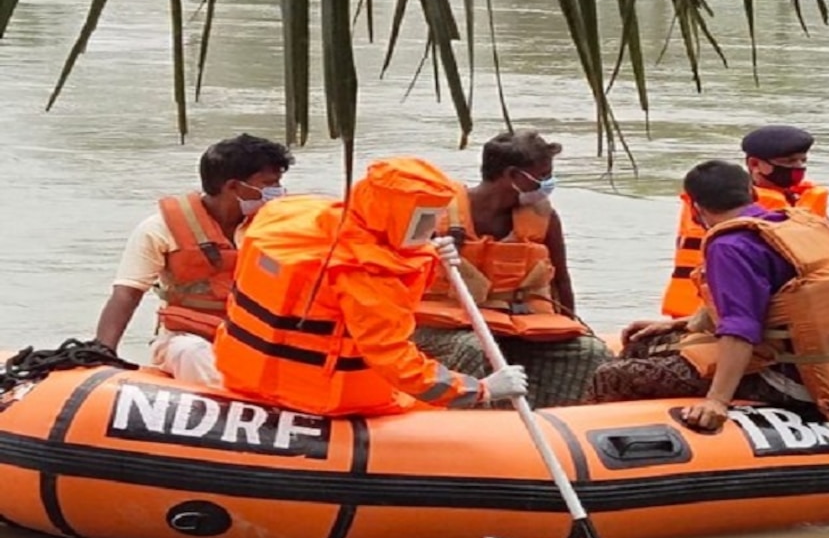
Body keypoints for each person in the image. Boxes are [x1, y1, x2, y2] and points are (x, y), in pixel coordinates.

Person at [213, 157, 527, 416]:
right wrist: (482, 389)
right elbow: (396, 361)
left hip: (241, 372)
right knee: (434, 411)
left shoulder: (294, 214)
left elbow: (378, 240)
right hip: (320, 399)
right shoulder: (365, 275)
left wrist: (427, 251)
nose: (432, 227)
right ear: (393, 215)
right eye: (424, 219)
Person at [585, 160, 829, 431]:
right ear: (752, 192)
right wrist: (679, 324)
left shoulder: (731, 246)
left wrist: (718, 401)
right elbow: (779, 305)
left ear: (695, 206)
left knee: (614, 376)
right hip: (828, 362)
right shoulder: (790, 225)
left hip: (786, 378)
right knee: (644, 342)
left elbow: (741, 327)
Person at [412, 130, 611, 408]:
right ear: (513, 176)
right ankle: (477, 425)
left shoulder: (544, 218)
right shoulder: (435, 215)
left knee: (590, 351)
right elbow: (397, 274)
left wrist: (572, 327)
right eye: (542, 175)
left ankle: (554, 423)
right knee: (474, 348)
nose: (547, 183)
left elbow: (562, 281)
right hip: (441, 329)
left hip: (514, 327)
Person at [95, 134, 294, 387]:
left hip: (257, 337)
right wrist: (102, 354)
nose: (277, 192)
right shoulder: (159, 229)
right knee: (191, 353)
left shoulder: (281, 226)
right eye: (269, 184)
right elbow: (127, 294)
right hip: (187, 336)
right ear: (233, 186)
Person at [661, 124, 829, 319]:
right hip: (708, 308)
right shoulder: (720, 199)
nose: (798, 168)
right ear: (754, 164)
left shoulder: (801, 198)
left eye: (802, 161)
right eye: (789, 161)